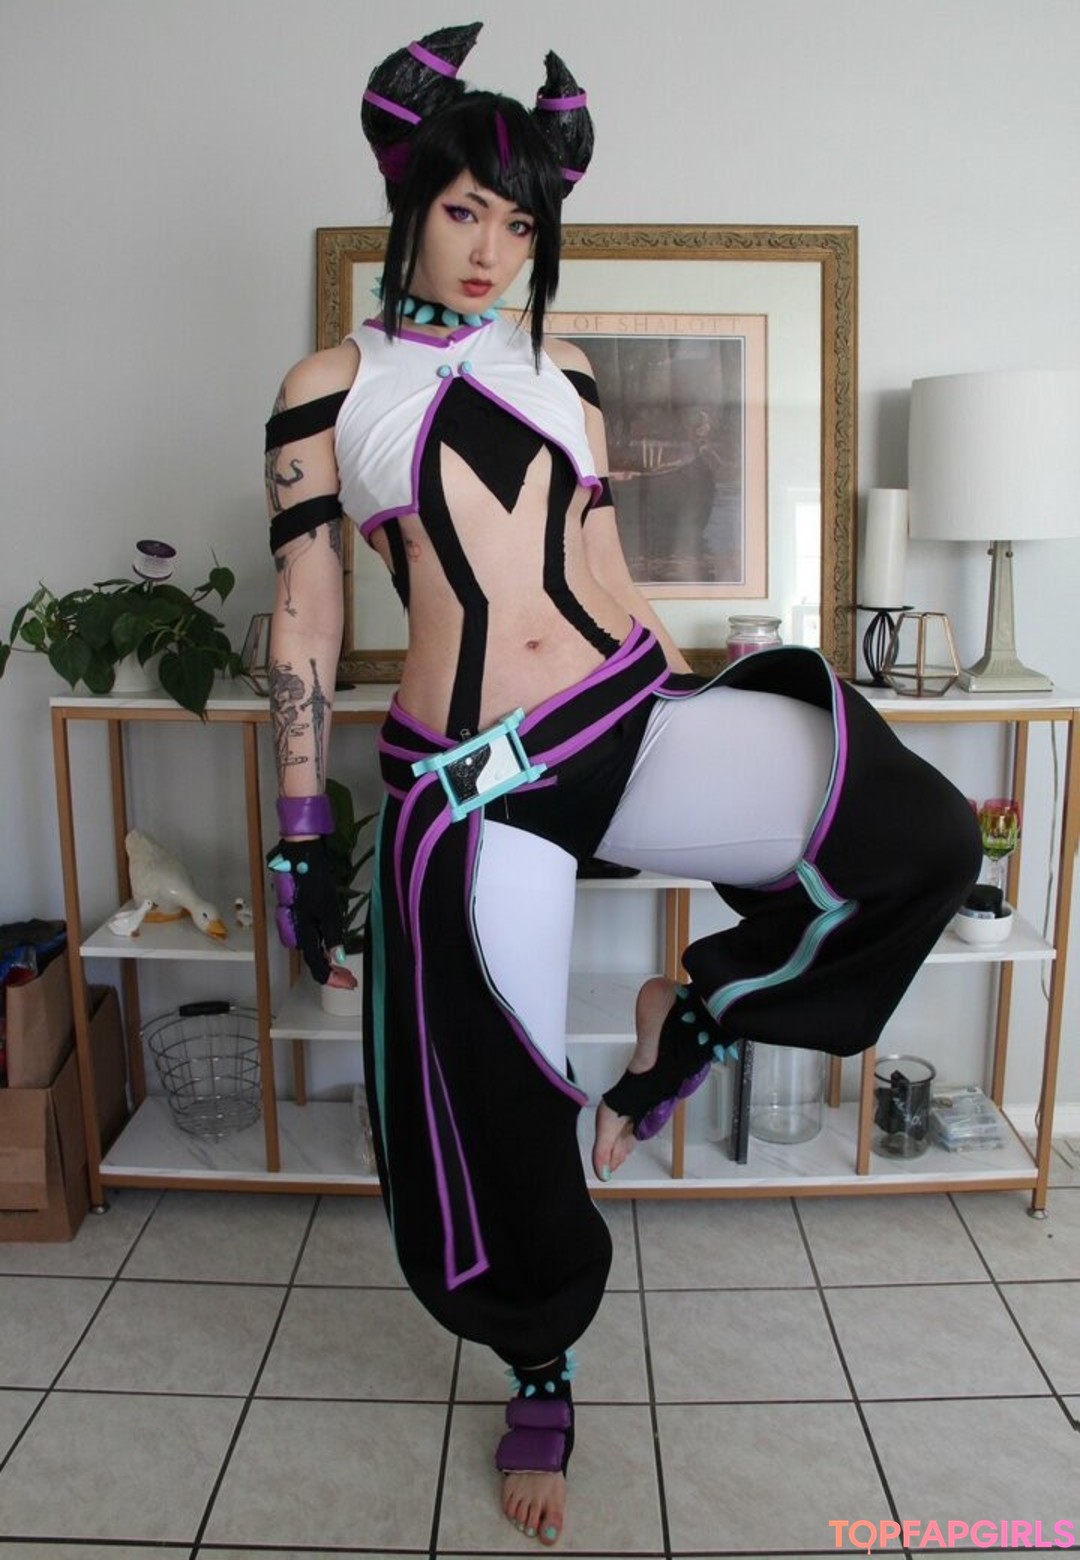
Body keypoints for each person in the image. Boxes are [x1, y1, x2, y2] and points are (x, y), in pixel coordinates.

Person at [263, 22, 981, 1547]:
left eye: (523, 225)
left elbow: (602, 562)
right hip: (483, 787)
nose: (492, 252)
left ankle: (691, 1018)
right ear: (409, 199)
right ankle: (544, 1362)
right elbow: (308, 611)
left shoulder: (563, 365)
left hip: (625, 714)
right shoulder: (330, 386)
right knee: (508, 1098)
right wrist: (302, 824)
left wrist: (696, 682)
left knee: (916, 831)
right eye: (467, 210)